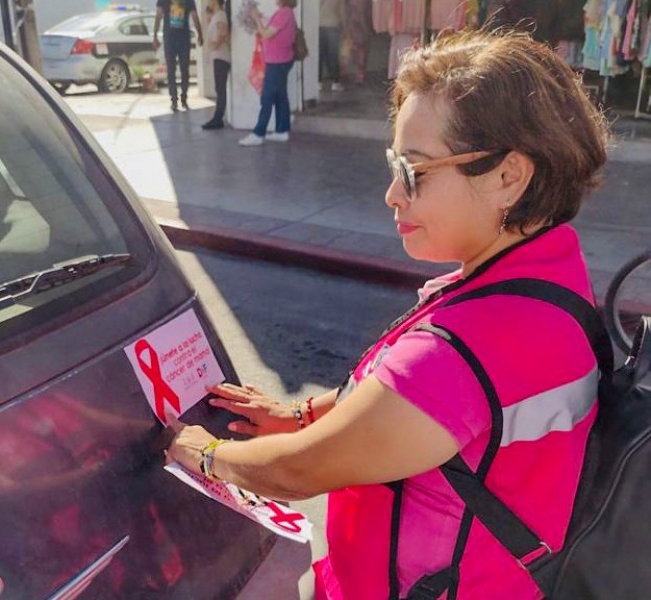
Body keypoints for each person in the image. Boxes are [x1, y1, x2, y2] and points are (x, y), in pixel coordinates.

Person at [168, 28, 609, 599]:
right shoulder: (545, 277)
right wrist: (303, 412)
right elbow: (402, 398)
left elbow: (298, 471)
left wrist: (205, 453)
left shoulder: (469, 347)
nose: (391, 195)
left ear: (508, 177)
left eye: (414, 171)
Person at [238, 0, 297, 147]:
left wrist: (256, 18)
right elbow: (271, 29)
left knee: (267, 97)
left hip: (277, 62)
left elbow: (265, 34)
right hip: (280, 60)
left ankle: (259, 133)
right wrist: (261, 18)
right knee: (280, 96)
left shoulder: (284, 13)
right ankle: (282, 130)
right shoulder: (284, 13)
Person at [153, 0, 203, 112]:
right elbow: (159, 15)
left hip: (176, 38)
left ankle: (179, 98)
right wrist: (200, 33)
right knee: (179, 69)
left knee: (177, 69)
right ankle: (178, 99)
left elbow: (159, 16)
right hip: (176, 39)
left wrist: (200, 33)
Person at [202, 0, 231, 130]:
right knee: (219, 87)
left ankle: (218, 118)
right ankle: (217, 117)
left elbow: (224, 32)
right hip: (218, 56)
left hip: (221, 56)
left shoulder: (220, 15)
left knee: (220, 88)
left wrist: (216, 44)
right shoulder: (216, 15)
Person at [319, 0, 345, 91]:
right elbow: (342, 12)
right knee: (333, 56)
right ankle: (335, 82)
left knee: (319, 56)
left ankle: (318, 82)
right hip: (333, 25)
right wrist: (344, 26)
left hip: (318, 26)